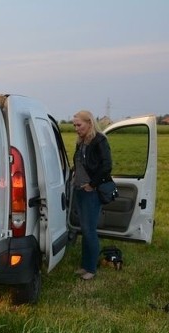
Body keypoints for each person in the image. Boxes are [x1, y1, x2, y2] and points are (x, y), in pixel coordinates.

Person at [72, 110, 113, 280]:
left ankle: (91, 269)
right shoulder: (81, 142)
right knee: (85, 229)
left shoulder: (99, 140)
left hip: (92, 192)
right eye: (74, 125)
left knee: (89, 231)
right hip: (80, 190)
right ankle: (85, 265)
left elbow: (106, 166)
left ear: (89, 123)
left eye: (79, 125)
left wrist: (92, 185)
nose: (76, 128)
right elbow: (79, 163)